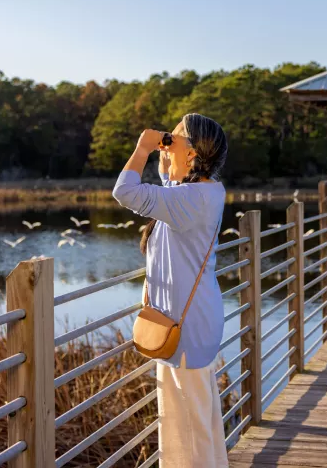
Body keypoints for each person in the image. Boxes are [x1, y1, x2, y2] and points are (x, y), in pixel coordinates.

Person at [112, 113, 229, 468]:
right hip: (187, 320)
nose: (166, 144)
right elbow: (170, 181)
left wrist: (143, 148)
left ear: (193, 154)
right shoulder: (201, 192)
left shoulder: (190, 200)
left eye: (174, 139)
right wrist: (168, 153)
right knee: (191, 419)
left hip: (186, 328)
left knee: (189, 424)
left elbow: (125, 192)